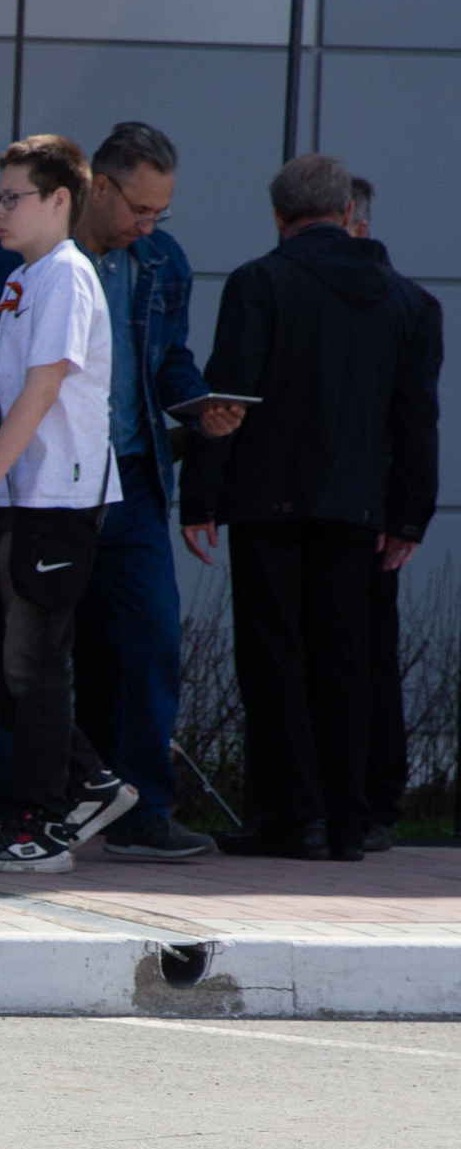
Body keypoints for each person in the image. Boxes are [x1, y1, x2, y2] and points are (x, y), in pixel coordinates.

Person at [0, 123, 240, 861]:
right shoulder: (11, 271)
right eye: (141, 207)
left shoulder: (81, 273)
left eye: (13, 197)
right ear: (98, 189)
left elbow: (49, 387)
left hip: (67, 490)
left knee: (57, 656)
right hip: (13, 490)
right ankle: (85, 780)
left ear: (58, 198)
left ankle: (51, 817)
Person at [181, 155, 441, 862]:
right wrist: (409, 514)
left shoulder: (260, 283)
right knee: (347, 662)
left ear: (279, 216)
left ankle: (291, 817)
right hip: (360, 509)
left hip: (268, 499)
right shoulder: (411, 304)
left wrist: (200, 496)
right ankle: (348, 820)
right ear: (347, 212)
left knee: (274, 659)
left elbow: (228, 397)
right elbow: (416, 420)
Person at [346, 178, 442, 854]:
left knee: (362, 653)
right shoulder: (409, 301)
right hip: (373, 503)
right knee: (366, 651)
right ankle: (375, 796)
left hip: (366, 505)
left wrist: (408, 513)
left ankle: (374, 794)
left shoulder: (395, 303)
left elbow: (416, 420)